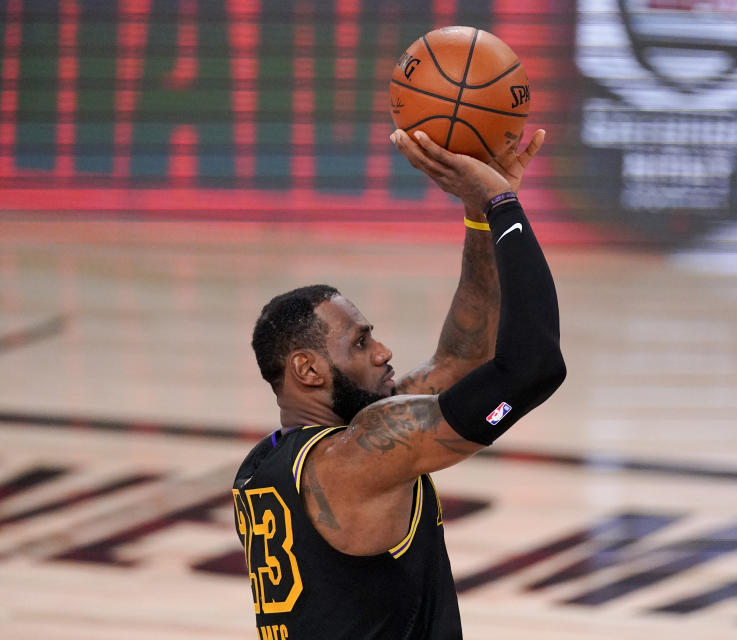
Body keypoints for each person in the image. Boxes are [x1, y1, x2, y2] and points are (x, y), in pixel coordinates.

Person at [232, 127, 565, 640]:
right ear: (308, 369)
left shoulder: (263, 465)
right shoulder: (361, 453)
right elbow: (532, 366)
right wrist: (504, 207)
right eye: (361, 342)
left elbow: (462, 357)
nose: (384, 352)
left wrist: (478, 213)